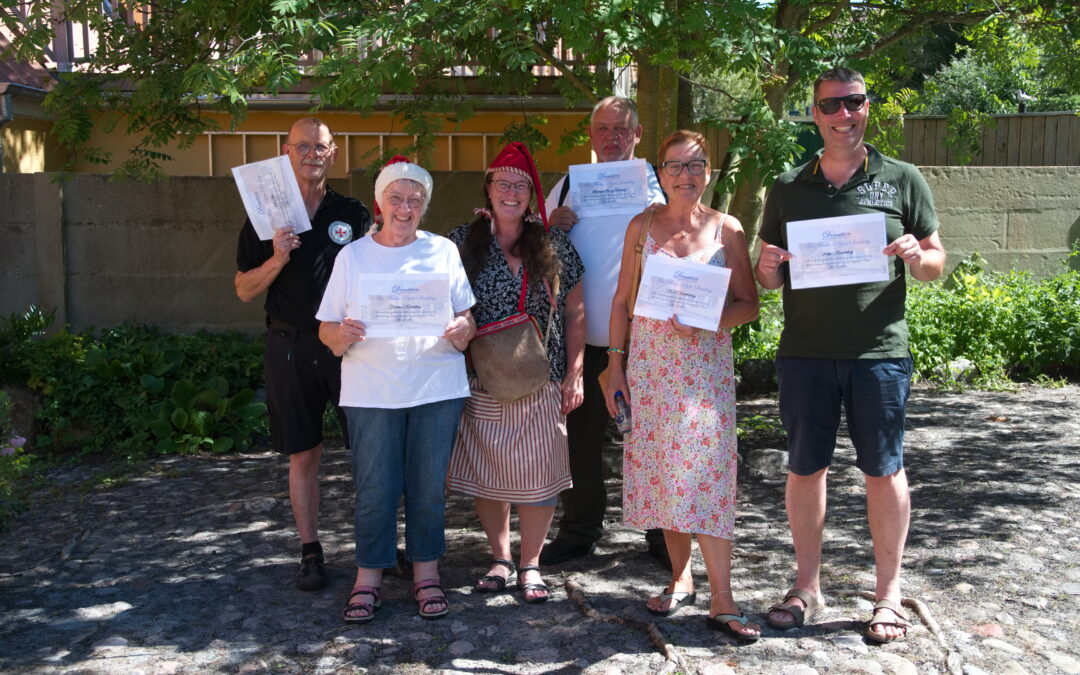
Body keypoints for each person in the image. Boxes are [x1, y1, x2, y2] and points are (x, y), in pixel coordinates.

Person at [755, 66, 946, 644]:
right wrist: (766, 269)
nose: (844, 115)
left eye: (854, 103)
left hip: (878, 353)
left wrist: (918, 254)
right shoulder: (787, 186)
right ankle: (806, 586)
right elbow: (768, 279)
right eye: (832, 105)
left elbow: (937, 265)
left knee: (883, 470)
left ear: (868, 108)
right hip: (805, 353)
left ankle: (887, 594)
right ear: (814, 113)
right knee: (805, 468)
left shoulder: (903, 178)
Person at [602, 130, 761, 641]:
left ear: (709, 172)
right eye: (674, 166)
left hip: (703, 378)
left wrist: (711, 320)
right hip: (649, 373)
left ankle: (723, 598)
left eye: (695, 166)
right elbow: (622, 301)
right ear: (660, 172)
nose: (685, 176)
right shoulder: (642, 226)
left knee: (709, 477)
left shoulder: (726, 229)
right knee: (666, 475)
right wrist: (615, 366)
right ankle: (679, 577)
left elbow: (749, 304)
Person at [316, 159, 477, 623]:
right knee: (374, 488)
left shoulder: (443, 250)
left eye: (415, 200)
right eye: (396, 199)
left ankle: (427, 574)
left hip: (435, 386)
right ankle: (369, 577)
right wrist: (341, 335)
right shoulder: (353, 257)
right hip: (372, 391)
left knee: (427, 488)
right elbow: (326, 330)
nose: (405, 208)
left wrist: (462, 330)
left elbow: (468, 316)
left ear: (424, 206)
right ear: (379, 204)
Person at [234, 117, 370, 591]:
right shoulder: (264, 215)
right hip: (289, 345)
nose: (313, 154)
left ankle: (373, 547)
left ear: (334, 153)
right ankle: (311, 551)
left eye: (322, 147)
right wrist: (277, 257)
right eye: (304, 146)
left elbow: (376, 270)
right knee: (304, 454)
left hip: (348, 348)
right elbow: (244, 290)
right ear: (286, 150)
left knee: (369, 450)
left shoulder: (351, 213)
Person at [446, 143, 586, 604]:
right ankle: (501, 557)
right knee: (492, 469)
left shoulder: (554, 244)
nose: (511, 192)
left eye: (520, 185)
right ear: (488, 189)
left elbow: (576, 309)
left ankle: (531, 563)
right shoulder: (459, 241)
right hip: (482, 376)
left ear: (532, 193)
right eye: (502, 183)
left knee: (539, 472)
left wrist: (577, 373)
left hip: (544, 374)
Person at [540, 96, 668, 567]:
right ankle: (579, 530)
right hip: (583, 338)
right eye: (602, 129)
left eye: (622, 129)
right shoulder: (570, 182)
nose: (611, 137)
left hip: (648, 338)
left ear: (637, 136)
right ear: (590, 136)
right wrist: (551, 225)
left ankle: (661, 534)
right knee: (582, 440)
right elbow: (534, 248)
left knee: (651, 437)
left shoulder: (661, 179)